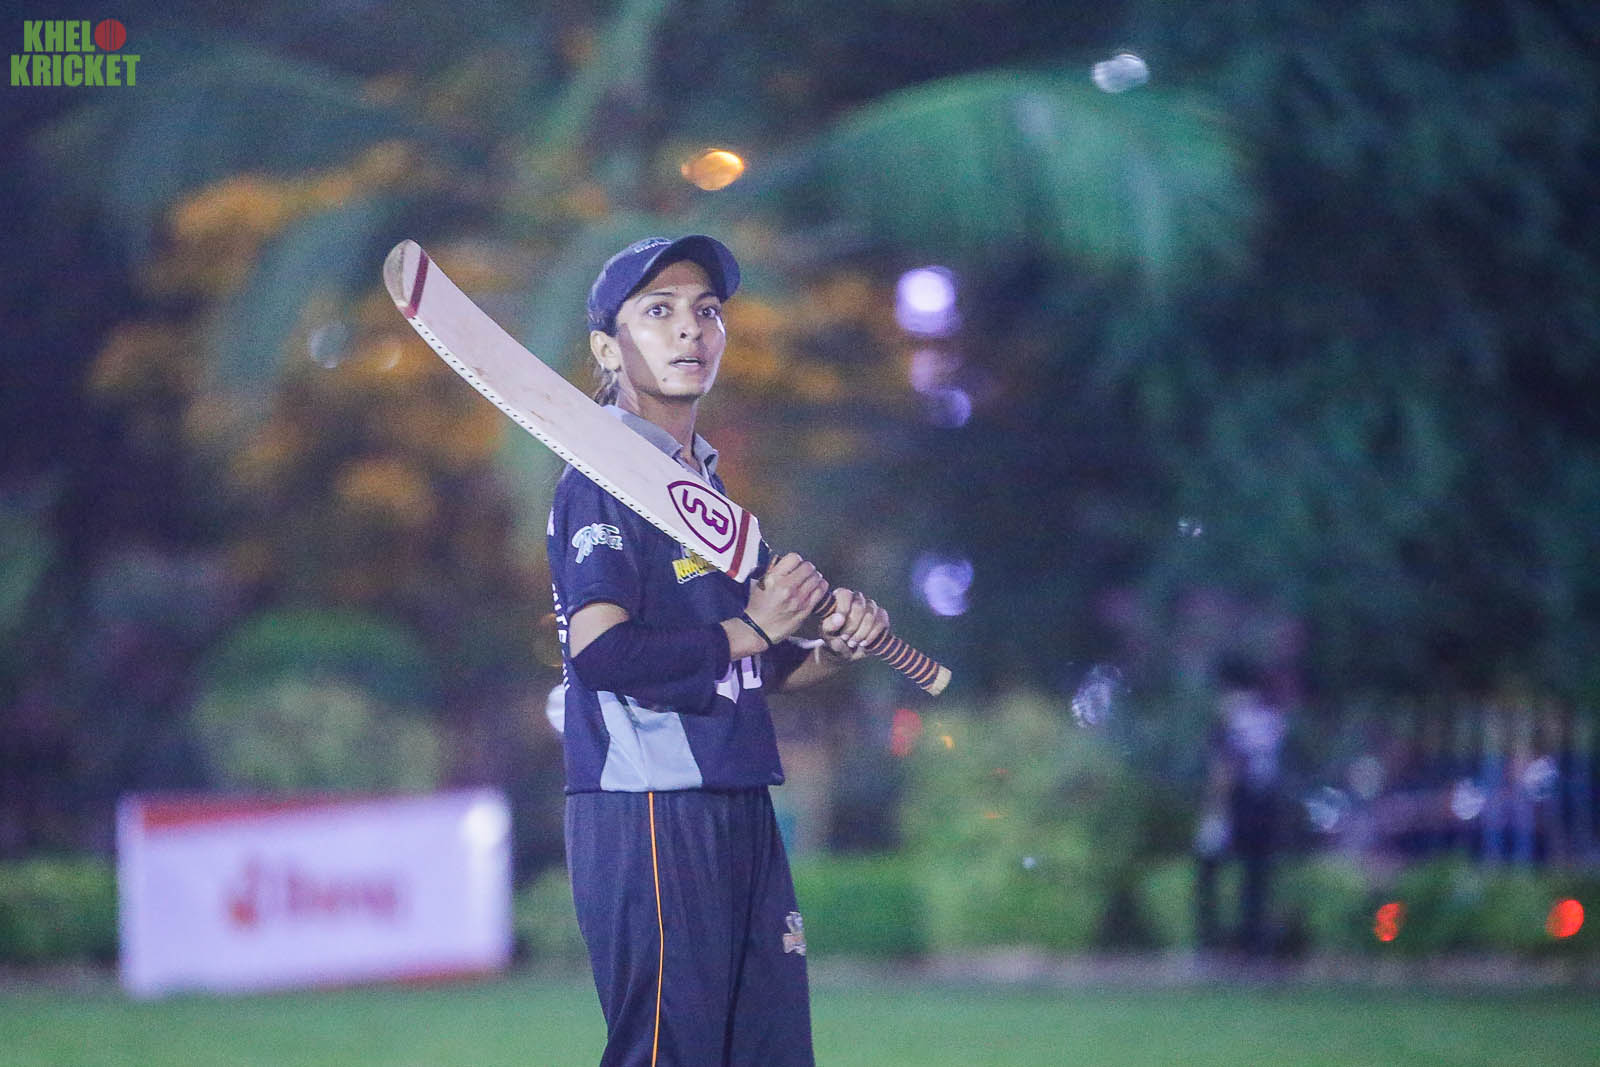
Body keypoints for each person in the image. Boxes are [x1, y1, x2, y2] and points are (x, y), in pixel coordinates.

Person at [549, 235, 889, 1067]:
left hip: (736, 793)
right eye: (658, 311)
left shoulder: (703, 488)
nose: (690, 329)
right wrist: (755, 627)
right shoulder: (601, 478)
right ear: (607, 349)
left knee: (770, 1051)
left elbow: (748, 663)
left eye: (706, 311)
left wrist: (833, 646)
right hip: (650, 807)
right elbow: (601, 652)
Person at [1194, 656, 1287, 957]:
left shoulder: (1233, 716)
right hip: (1264, 801)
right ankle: (1250, 940)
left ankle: (1212, 940)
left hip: (1237, 802)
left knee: (1214, 871)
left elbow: (1227, 765)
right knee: (1255, 875)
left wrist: (1215, 805)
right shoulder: (1272, 718)